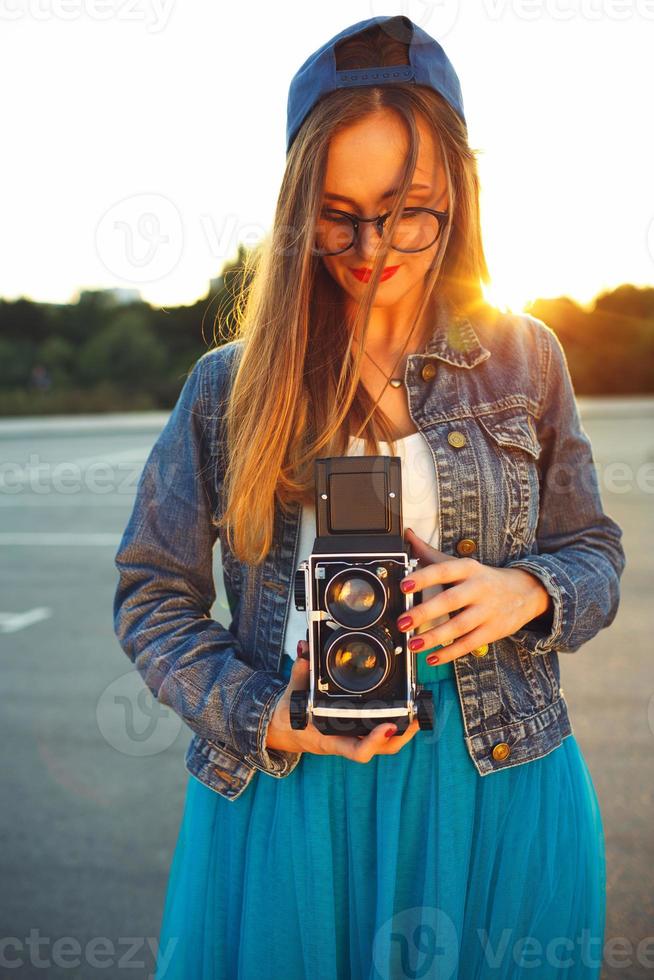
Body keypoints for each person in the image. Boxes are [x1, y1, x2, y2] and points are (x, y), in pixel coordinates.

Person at [113, 15, 626, 979]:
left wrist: (526, 593)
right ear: (297, 202)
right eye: (338, 212)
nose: (372, 247)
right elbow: (150, 593)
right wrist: (266, 711)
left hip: (496, 776)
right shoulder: (229, 385)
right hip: (297, 788)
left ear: (458, 196)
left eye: (409, 209)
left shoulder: (526, 356)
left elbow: (595, 551)